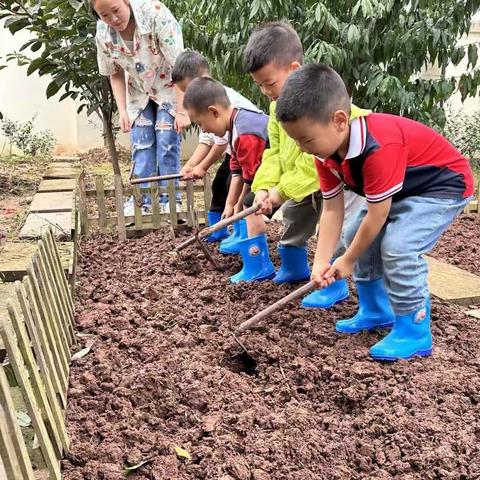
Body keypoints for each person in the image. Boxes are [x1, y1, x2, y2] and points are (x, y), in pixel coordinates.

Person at [276, 63, 474, 361]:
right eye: (296, 141)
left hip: (442, 186)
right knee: (355, 232)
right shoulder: (325, 154)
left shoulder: (377, 146)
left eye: (305, 139)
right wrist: (322, 262)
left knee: (398, 247)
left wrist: (348, 259)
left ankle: (414, 328)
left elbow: (378, 216)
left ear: (339, 120)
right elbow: (332, 210)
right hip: (404, 188)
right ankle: (376, 309)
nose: (302, 148)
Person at [243, 21, 366, 307]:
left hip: (340, 179)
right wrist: (264, 187)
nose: (265, 91)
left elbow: (317, 159)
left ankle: (334, 284)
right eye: (259, 85)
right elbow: (273, 152)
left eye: (269, 83)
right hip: (298, 183)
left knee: (336, 227)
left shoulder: (319, 106)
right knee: (295, 219)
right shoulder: (277, 108)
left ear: (294, 69)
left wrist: (280, 191)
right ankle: (294, 266)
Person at [93, 0, 189, 216]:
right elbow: (114, 72)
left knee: (166, 141)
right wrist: (123, 110)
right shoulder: (103, 32)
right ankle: (141, 202)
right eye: (104, 15)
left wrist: (182, 111)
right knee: (142, 144)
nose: (113, 19)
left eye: (116, 10)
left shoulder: (156, 14)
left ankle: (171, 200)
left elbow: (180, 66)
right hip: (138, 92)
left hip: (170, 86)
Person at [184, 77, 274, 282]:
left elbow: (250, 177)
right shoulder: (235, 125)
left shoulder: (245, 131)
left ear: (214, 112)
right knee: (243, 205)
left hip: (280, 170)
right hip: (263, 172)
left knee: (251, 207)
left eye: (201, 124)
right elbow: (236, 167)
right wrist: (230, 203)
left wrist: (240, 204)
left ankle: (259, 266)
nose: (203, 130)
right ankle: (247, 248)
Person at [171, 50, 260, 242]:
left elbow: (219, 143)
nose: (189, 95)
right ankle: (220, 229)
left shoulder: (222, 101)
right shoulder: (208, 107)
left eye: (188, 88)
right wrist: (191, 165)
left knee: (242, 194)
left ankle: (243, 235)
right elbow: (207, 139)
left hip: (253, 151)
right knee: (220, 185)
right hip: (238, 152)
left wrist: (202, 167)